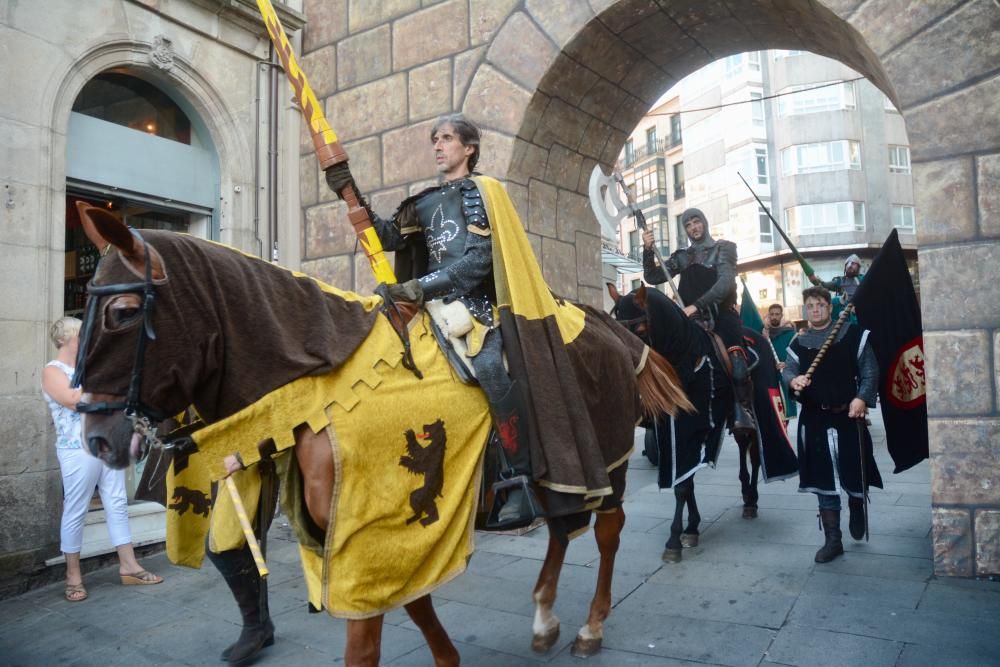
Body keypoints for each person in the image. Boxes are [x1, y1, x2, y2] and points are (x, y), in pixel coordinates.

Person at [325, 113, 538, 528]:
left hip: (475, 308)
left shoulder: (481, 193)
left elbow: (478, 260)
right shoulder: (423, 202)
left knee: (493, 368)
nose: (437, 146)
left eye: (445, 139)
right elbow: (387, 236)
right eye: (434, 140)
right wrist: (348, 192)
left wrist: (419, 287)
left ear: (468, 148)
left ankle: (520, 480)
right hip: (430, 304)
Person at [41, 316, 162, 602]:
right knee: (76, 510)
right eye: (82, 335)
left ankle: (129, 566)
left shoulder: (91, 369)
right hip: (76, 448)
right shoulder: (52, 370)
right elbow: (73, 400)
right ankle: (73, 576)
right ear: (65, 339)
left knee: (117, 503)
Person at [782, 287, 883, 563]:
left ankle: (857, 503)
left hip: (848, 416)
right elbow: (789, 370)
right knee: (823, 478)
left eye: (820, 305)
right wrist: (793, 380)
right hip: (814, 419)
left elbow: (870, 370)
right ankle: (833, 540)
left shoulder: (852, 334)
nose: (815, 309)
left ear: (830, 307)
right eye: (810, 305)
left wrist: (862, 398)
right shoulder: (798, 344)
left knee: (853, 470)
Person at [642, 208, 755, 433]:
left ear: (704, 222)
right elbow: (653, 277)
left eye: (696, 222)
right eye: (688, 225)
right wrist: (647, 250)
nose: (694, 228)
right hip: (691, 319)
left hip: (721, 314)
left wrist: (697, 305)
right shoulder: (682, 256)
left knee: (737, 362)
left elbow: (724, 285)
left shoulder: (724, 248)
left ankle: (742, 411)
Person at [764, 303, 797, 418]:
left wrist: (786, 363)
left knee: (784, 413)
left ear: (781, 315)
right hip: (769, 377)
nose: (774, 317)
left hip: (783, 377)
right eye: (772, 314)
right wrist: (763, 338)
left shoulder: (790, 334)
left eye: (777, 314)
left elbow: (796, 355)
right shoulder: (764, 335)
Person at [809, 254, 864, 320]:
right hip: (844, 313)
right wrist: (813, 278)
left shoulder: (863, 279)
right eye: (848, 264)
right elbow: (823, 285)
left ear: (858, 267)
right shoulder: (840, 281)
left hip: (860, 312)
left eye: (853, 264)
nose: (850, 266)